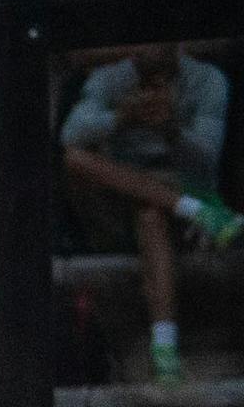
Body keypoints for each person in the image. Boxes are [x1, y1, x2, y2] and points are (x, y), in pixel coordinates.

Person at [58, 44, 239, 388]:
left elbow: (206, 163)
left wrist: (171, 130)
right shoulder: (111, 78)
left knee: (151, 213)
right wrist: (121, 117)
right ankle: (206, 215)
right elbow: (71, 136)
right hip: (116, 197)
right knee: (74, 161)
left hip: (182, 191)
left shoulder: (206, 80)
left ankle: (164, 352)